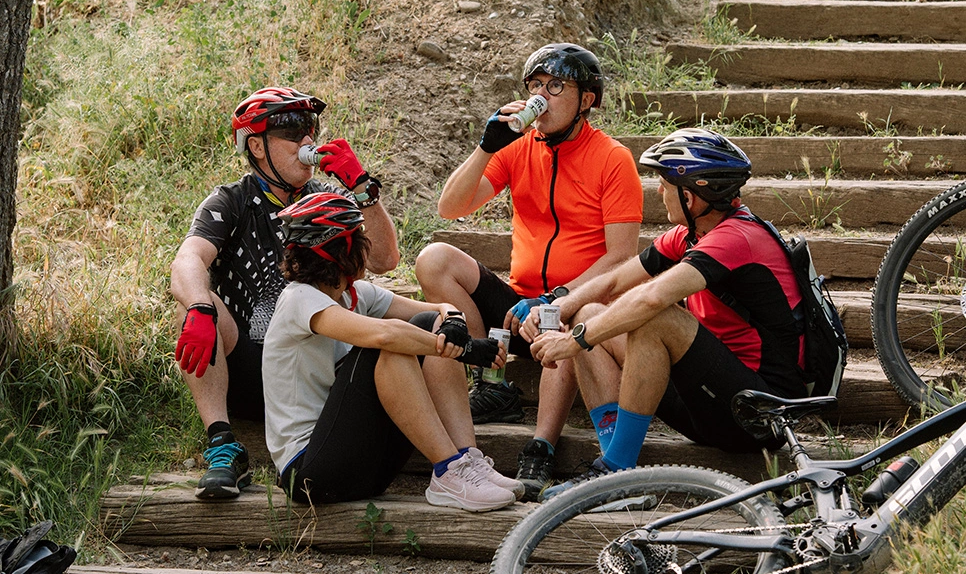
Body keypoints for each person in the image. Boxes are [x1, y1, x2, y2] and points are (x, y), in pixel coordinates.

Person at [525, 128, 810, 500]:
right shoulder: (690, 234)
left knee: (656, 318)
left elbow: (651, 298)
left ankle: (617, 474)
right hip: (711, 398)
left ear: (689, 197)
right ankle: (613, 469)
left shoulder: (737, 238)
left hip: (761, 413)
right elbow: (614, 283)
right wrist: (556, 306)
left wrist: (573, 341)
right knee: (589, 312)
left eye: (664, 184)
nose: (659, 192)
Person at [415, 43, 644, 501]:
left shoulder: (612, 158)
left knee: (557, 315)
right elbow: (450, 207)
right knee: (434, 258)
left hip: (578, 305)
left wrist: (557, 296)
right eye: (536, 85)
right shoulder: (519, 146)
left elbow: (622, 256)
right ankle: (490, 380)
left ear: (587, 100)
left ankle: (541, 444)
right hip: (517, 304)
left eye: (556, 86)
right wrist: (486, 148)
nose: (543, 95)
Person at [170, 86, 400, 499]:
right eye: (293, 134)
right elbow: (188, 259)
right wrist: (199, 308)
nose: (308, 141)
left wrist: (363, 189)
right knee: (198, 305)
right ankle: (222, 444)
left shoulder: (326, 200)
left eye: (311, 130)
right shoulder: (231, 201)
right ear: (256, 145)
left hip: (316, 374)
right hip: (249, 369)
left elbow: (384, 260)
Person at [262, 192, 522, 512]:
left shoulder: (354, 294)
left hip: (366, 465)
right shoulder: (299, 298)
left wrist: (452, 320)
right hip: (311, 474)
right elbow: (385, 335)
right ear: (340, 250)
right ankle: (448, 471)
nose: (365, 245)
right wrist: (464, 349)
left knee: (427, 323)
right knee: (387, 346)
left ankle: (467, 459)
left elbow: (436, 311)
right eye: (358, 237)